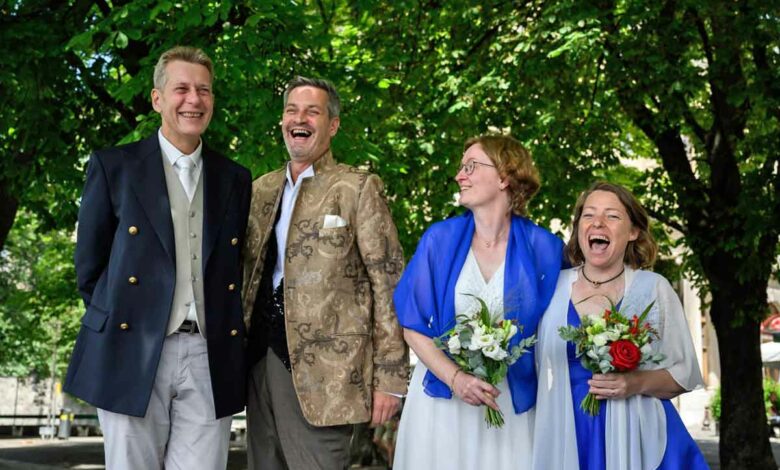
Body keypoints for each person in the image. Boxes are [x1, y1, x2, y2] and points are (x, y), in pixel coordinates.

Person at [63, 46, 251, 469]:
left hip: (209, 353)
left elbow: (233, 269)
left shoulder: (234, 178)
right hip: (130, 350)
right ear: (157, 99)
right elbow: (89, 268)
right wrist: (126, 318)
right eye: (181, 88)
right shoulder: (115, 166)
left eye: (203, 90)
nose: (194, 100)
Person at [241, 76, 409, 470]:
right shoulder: (259, 191)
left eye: (312, 111)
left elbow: (389, 284)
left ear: (332, 125)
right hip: (257, 365)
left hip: (329, 377)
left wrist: (389, 378)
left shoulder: (357, 187)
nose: (300, 119)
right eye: (291, 110)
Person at [393, 135, 564, 469]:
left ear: (505, 177)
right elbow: (412, 327)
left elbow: (563, 321)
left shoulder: (545, 248)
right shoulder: (438, 240)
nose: (460, 175)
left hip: (509, 406)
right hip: (442, 404)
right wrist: (456, 378)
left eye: (471, 166)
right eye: (461, 167)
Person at [533, 181, 708, 469]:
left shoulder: (654, 288)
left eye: (612, 216)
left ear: (633, 232)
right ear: (578, 229)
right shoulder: (552, 287)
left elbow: (684, 373)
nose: (597, 222)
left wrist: (632, 383)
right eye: (588, 215)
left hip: (639, 433)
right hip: (567, 429)